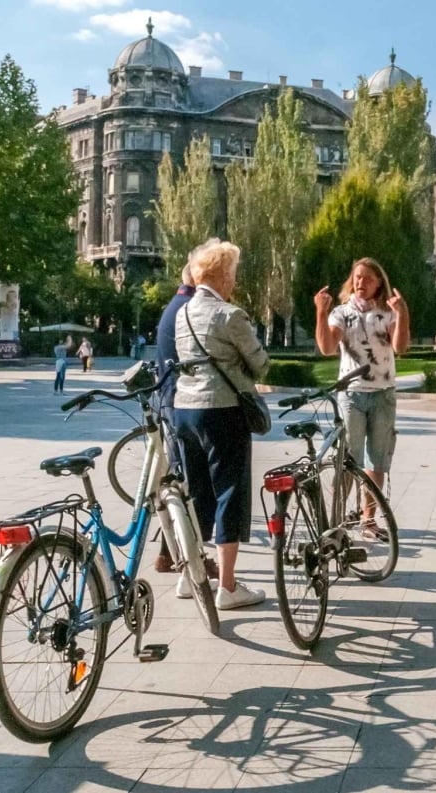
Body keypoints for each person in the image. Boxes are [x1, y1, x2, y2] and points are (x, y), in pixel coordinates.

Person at [173, 239, 269, 610]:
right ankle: (227, 586)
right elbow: (260, 363)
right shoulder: (230, 315)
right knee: (230, 492)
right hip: (223, 410)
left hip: (185, 410)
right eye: (233, 273)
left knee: (197, 493)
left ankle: (190, 574)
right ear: (224, 275)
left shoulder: (182, 312)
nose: (234, 279)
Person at [313, 258, 410, 540]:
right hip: (352, 395)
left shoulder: (387, 313)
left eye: (367, 278)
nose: (360, 283)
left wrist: (402, 314)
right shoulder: (342, 313)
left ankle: (368, 518)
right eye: (357, 277)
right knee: (348, 459)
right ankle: (337, 520)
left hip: (383, 394)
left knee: (376, 460)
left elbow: (400, 347)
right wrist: (321, 313)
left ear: (379, 282)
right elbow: (328, 347)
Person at [151, 257, 201, 578]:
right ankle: (188, 561)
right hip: (179, 403)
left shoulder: (177, 303)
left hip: (170, 399)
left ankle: (170, 554)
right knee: (187, 483)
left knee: (178, 481)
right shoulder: (188, 309)